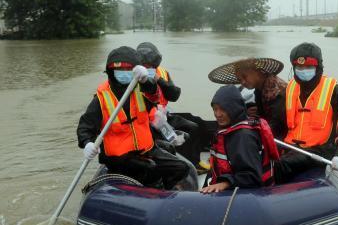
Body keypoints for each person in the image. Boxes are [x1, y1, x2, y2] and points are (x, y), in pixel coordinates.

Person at [77, 46, 193, 190]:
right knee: (151, 169)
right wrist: (87, 143)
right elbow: (85, 126)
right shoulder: (101, 99)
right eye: (119, 70)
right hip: (119, 157)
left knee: (181, 168)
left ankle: (164, 192)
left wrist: (146, 80)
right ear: (111, 72)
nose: (124, 74)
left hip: (145, 149)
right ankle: (151, 192)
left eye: (128, 70)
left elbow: (156, 96)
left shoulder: (141, 88)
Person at [275, 42, 338, 183]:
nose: (303, 70)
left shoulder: (334, 92)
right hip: (289, 147)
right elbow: (278, 121)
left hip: (318, 151)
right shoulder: (290, 89)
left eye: (308, 67)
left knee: (281, 165)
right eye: (299, 67)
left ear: (318, 67)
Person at [200, 85, 277, 193]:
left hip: (249, 196)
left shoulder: (243, 137)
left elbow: (253, 177)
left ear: (233, 108)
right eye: (215, 109)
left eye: (222, 109)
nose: (218, 114)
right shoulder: (227, 130)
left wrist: (226, 183)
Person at [136, 42, 203, 164]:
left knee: (193, 127)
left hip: (162, 117)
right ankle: (174, 164)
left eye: (150, 65)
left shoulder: (162, 72)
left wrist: (159, 79)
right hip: (144, 121)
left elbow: (174, 95)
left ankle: (194, 164)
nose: (147, 67)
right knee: (168, 139)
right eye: (144, 65)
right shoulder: (133, 77)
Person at [207, 57, 288, 139]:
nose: (243, 82)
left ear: (258, 72)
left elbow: (276, 125)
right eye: (240, 79)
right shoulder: (259, 88)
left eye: (245, 77)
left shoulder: (276, 91)